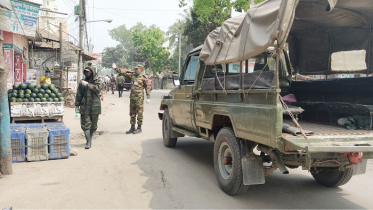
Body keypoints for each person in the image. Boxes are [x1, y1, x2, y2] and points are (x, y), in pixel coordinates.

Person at [113, 63, 150, 134]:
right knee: (132, 113)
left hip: (139, 98)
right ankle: (132, 127)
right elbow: (123, 73)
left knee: (139, 113)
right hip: (132, 97)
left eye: (137, 69)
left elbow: (147, 88)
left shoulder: (144, 78)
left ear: (141, 70)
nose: (135, 70)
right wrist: (116, 68)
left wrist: (148, 97)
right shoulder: (132, 75)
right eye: (135, 69)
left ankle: (139, 128)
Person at [75, 66, 102, 149]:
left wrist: (88, 85)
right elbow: (79, 94)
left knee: (93, 125)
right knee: (86, 124)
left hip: (95, 106)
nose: (87, 74)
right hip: (84, 106)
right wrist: (76, 105)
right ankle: (88, 142)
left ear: (92, 73)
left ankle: (90, 138)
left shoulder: (97, 81)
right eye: (86, 72)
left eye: (89, 72)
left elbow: (98, 89)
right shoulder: (82, 83)